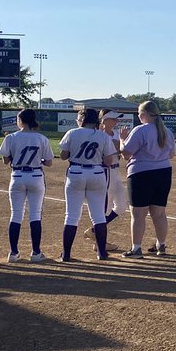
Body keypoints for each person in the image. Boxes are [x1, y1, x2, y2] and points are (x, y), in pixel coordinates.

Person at [0, 108, 54, 263]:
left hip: (17, 176)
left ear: (20, 120)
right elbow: (49, 162)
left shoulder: (11, 137)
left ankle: (13, 253)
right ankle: (36, 252)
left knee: (16, 214)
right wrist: (38, 160)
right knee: (35, 215)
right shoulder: (42, 138)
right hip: (36, 176)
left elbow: (5, 161)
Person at [121, 99, 176, 258]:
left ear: (145, 114)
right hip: (163, 173)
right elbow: (171, 154)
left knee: (138, 214)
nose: (139, 116)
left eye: (139, 114)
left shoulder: (140, 130)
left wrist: (122, 140)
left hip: (141, 174)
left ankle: (136, 249)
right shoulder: (166, 131)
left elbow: (126, 153)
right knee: (159, 213)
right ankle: (161, 245)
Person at [59, 108, 115, 261]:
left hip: (76, 172)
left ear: (82, 119)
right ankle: (101, 252)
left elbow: (63, 155)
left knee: (71, 216)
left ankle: (66, 254)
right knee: (98, 216)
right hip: (96, 173)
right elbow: (109, 161)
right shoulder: (103, 136)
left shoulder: (72, 133)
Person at [99, 110, 130, 238]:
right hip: (105, 173)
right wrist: (118, 145)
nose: (117, 121)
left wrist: (122, 141)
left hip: (115, 173)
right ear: (104, 120)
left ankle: (95, 231)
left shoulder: (116, 134)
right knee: (105, 208)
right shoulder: (99, 134)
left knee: (122, 206)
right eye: (113, 119)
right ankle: (99, 242)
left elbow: (123, 155)